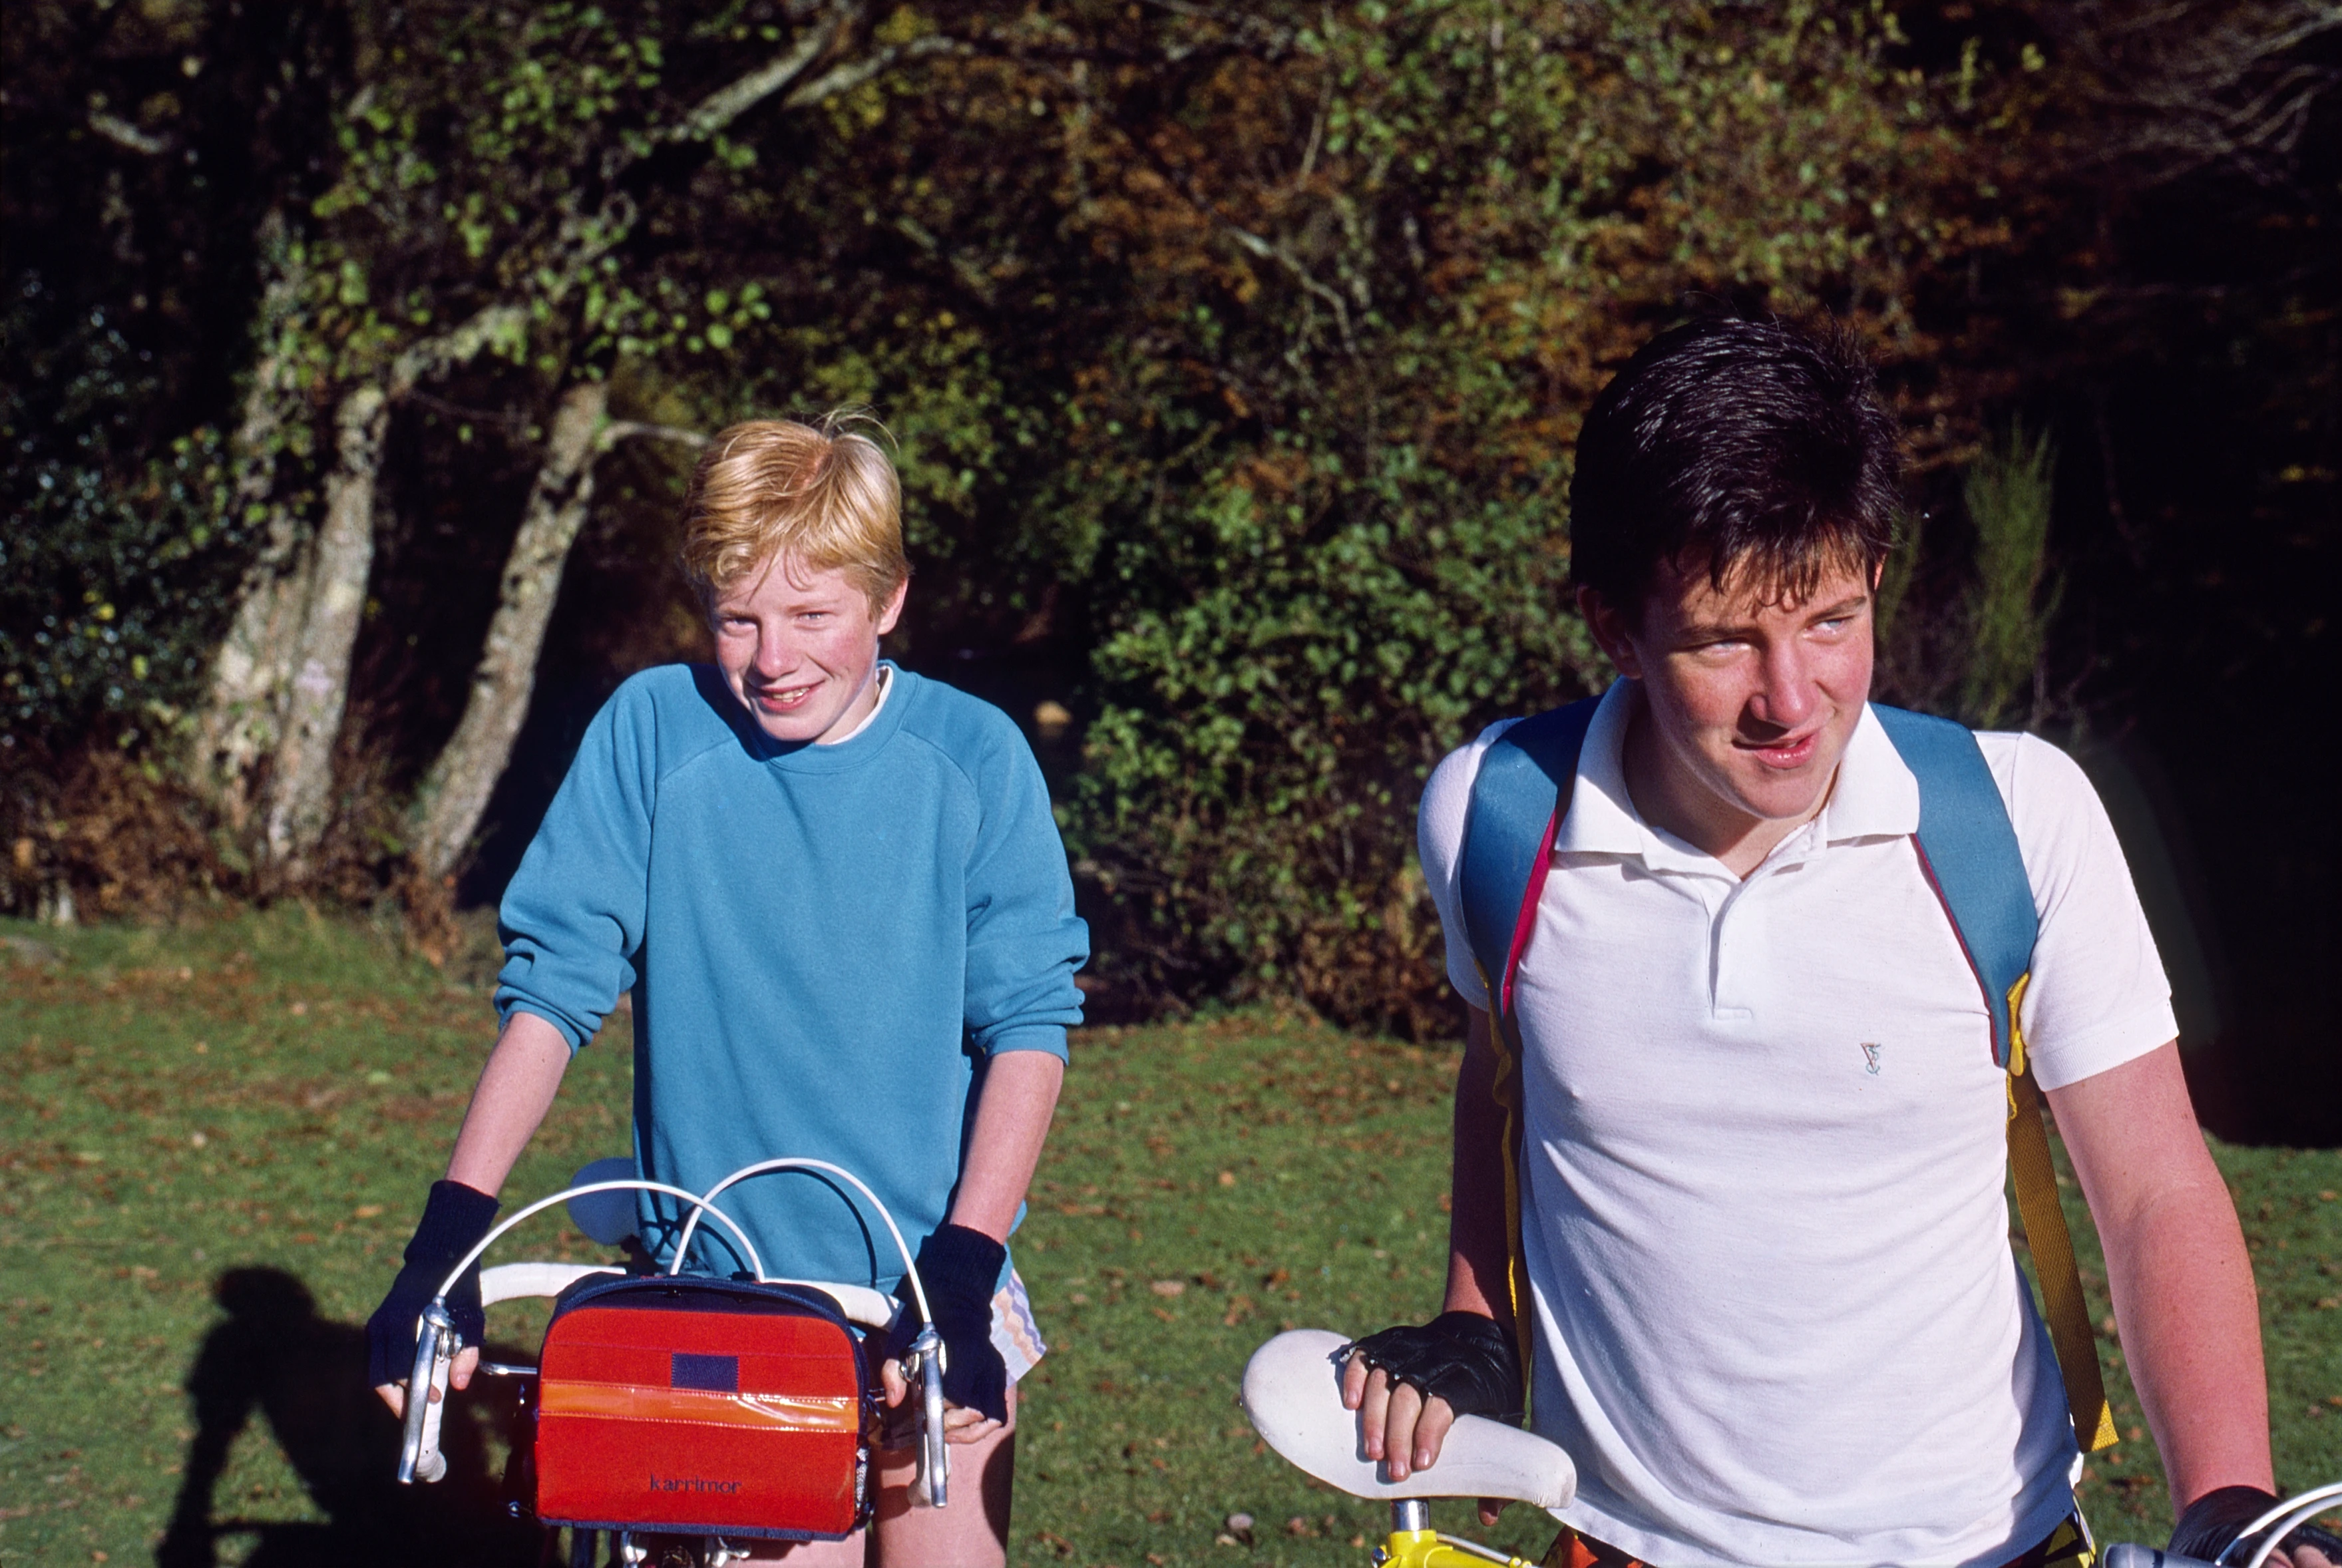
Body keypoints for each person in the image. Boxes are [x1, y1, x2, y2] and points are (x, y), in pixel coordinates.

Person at [1340, 317, 2334, 1568]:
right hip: (1625, 1547)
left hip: (1984, 1547)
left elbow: (2150, 1190)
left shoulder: (2014, 821)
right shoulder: (1494, 813)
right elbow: (1506, 1073)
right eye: (1721, 640)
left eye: (1827, 619)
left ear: (1873, 573)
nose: (1791, 700)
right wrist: (1474, 1318)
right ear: (1613, 626)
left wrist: (2227, 1500)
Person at [365, 413, 1088, 1565]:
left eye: (814, 615)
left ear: (889, 600)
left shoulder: (975, 757)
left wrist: (964, 1264)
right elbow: (554, 995)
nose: (771, 658)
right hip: (723, 1292)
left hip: (930, 1283)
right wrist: (442, 1243)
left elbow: (1028, 1029)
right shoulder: (654, 731)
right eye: (736, 617)